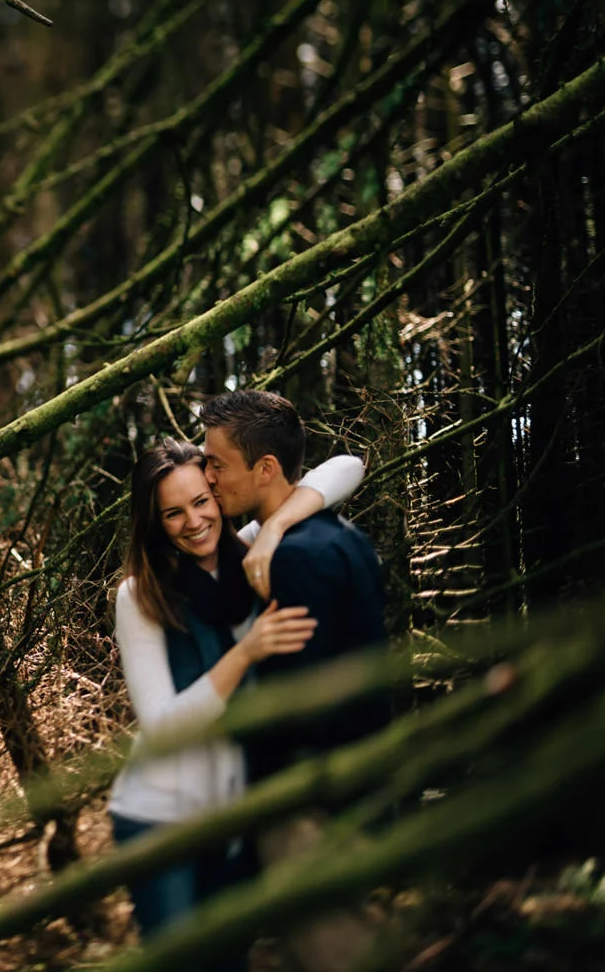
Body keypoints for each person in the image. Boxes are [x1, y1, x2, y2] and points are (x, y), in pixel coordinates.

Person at [108, 437, 364, 966]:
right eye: (173, 513)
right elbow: (162, 728)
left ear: (217, 493)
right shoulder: (140, 595)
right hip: (160, 818)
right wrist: (244, 653)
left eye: (202, 501)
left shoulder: (246, 553)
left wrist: (273, 526)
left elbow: (348, 467)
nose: (194, 521)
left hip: (233, 813)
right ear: (154, 522)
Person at [199, 390, 388, 972]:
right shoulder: (343, 537)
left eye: (217, 464)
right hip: (359, 781)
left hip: (310, 802)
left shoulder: (289, 558)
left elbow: (301, 699)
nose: (208, 479)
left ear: (266, 468)